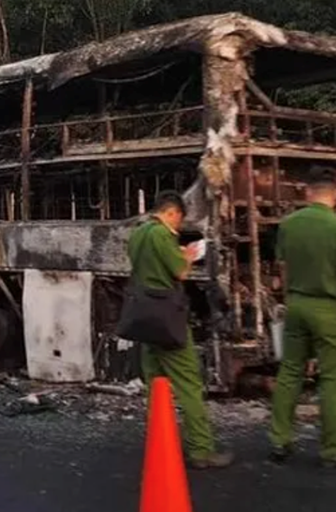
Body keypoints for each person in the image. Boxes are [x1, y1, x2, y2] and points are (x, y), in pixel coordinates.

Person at [268, 166, 336, 470]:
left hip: (296, 305)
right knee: (332, 379)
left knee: (290, 371)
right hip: (329, 310)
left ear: (307, 192)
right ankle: (333, 449)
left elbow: (283, 268)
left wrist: (290, 299)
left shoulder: (288, 225)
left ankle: (280, 439)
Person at [128, 190, 234, 469]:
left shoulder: (138, 233)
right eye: (178, 221)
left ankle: (161, 446)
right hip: (168, 319)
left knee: (155, 385)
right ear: (172, 212)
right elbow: (180, 272)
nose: (178, 226)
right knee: (188, 382)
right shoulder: (162, 235)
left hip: (144, 318)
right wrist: (186, 254)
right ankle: (201, 450)